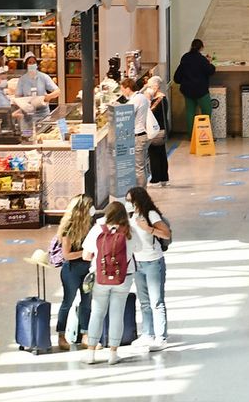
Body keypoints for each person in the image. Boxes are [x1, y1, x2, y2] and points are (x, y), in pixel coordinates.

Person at [81, 200, 137, 366]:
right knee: (117, 314)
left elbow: (86, 255)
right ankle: (113, 354)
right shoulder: (129, 231)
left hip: (101, 277)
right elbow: (138, 249)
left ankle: (91, 353)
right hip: (124, 277)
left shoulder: (98, 229)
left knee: (97, 313)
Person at [125, 186, 170, 349]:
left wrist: (149, 229)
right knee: (144, 301)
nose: (128, 203)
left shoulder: (151, 215)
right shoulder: (131, 216)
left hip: (153, 262)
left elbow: (166, 233)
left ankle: (161, 337)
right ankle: (147, 333)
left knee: (156, 301)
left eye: (131, 200)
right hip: (138, 262)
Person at [53, 194, 94, 351]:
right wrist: (85, 252)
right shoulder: (68, 229)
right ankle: (61, 335)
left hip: (87, 269)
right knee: (67, 302)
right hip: (71, 270)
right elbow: (67, 255)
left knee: (86, 302)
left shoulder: (89, 226)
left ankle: (85, 334)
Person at [173, 39, 216, 135]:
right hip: (201, 91)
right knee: (206, 111)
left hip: (187, 90)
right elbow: (211, 71)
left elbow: (177, 76)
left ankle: (192, 136)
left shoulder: (185, 57)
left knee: (190, 112)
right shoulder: (202, 59)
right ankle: (204, 135)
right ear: (201, 48)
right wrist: (209, 62)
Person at [118, 75, 155, 188]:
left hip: (138, 136)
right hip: (141, 135)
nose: (122, 92)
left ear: (128, 88)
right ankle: (141, 190)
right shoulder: (141, 97)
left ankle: (141, 192)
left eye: (123, 89)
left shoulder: (136, 100)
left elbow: (127, 114)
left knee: (138, 167)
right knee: (141, 165)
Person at [16, 55, 59, 131]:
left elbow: (58, 91)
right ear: (26, 65)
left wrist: (49, 96)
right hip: (27, 117)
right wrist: (23, 105)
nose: (32, 64)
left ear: (37, 64)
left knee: (42, 138)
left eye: (34, 62)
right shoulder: (22, 80)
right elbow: (18, 97)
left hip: (43, 115)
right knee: (28, 139)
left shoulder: (44, 77)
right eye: (29, 62)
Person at [143, 76, 170, 185]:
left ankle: (156, 178)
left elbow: (150, 113)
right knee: (161, 154)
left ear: (156, 86)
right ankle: (164, 178)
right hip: (161, 129)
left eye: (150, 86)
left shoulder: (158, 100)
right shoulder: (163, 99)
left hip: (157, 131)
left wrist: (148, 99)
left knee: (154, 154)